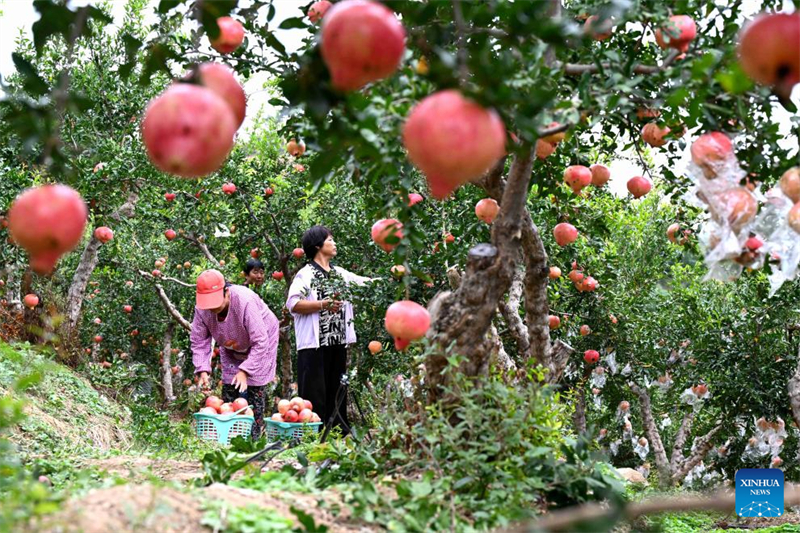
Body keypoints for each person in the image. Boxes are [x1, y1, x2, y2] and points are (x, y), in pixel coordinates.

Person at [286, 225, 376, 436]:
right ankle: (312, 435)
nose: (334, 244)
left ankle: (338, 435)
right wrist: (323, 304)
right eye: (330, 240)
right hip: (314, 346)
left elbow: (365, 284)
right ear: (318, 245)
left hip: (337, 341)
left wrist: (393, 280)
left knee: (338, 392)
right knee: (314, 394)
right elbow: (293, 304)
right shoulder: (305, 275)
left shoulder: (339, 273)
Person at [191, 269, 280, 439]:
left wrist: (245, 370)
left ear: (226, 292)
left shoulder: (244, 300)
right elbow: (199, 340)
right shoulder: (202, 309)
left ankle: (254, 437)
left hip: (262, 338)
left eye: (215, 302)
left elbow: (260, 341)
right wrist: (202, 369)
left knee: (254, 387)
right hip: (230, 342)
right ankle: (229, 435)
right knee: (230, 384)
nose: (212, 308)